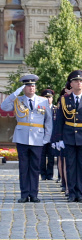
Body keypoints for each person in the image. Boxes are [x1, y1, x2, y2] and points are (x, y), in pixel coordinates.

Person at [2, 74, 53, 202]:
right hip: (22, 137)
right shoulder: (17, 100)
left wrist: (46, 138)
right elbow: (3, 106)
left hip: (37, 138)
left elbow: (48, 121)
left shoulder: (43, 101)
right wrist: (15, 93)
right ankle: (24, 194)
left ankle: (34, 194)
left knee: (35, 167)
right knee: (23, 167)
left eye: (33, 85)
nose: (31, 88)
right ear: (24, 88)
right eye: (28, 85)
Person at [55, 70, 82, 202]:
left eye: (81, 81)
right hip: (69, 136)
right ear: (71, 84)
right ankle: (72, 192)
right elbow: (60, 120)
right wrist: (59, 138)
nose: (79, 83)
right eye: (76, 81)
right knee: (70, 165)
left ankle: (81, 192)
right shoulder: (64, 100)